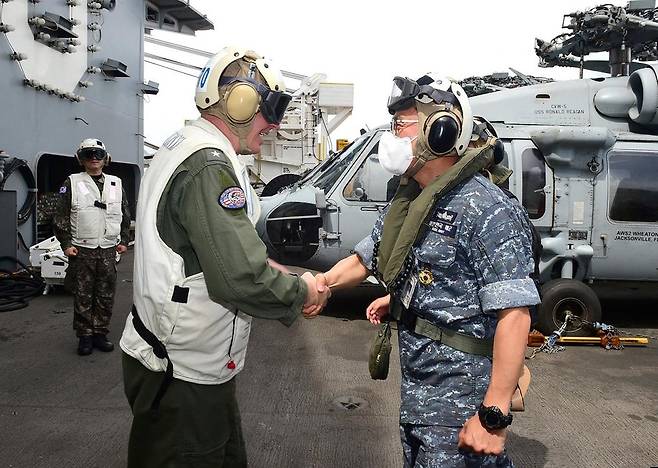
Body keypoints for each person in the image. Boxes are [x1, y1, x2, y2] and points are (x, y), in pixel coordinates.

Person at [119, 47, 328, 468]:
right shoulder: (208, 166)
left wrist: (270, 267)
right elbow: (237, 277)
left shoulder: (191, 145)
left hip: (190, 361)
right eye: (269, 109)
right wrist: (300, 289)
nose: (273, 124)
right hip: (182, 373)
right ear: (239, 102)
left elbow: (209, 247)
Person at [315, 74, 540, 467]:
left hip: (462, 396)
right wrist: (322, 284)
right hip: (420, 393)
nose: (393, 136)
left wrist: (492, 415)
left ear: (440, 131)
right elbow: (370, 257)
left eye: (401, 125)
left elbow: (515, 315)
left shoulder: (487, 208)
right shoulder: (413, 197)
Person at [54, 138, 130, 356]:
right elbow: (60, 217)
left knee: (105, 293)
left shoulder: (116, 183)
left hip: (108, 248)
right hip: (82, 249)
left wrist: (124, 240)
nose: (94, 159)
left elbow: (125, 213)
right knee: (83, 295)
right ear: (81, 159)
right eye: (88, 154)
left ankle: (100, 332)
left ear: (105, 158)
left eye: (98, 154)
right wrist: (66, 244)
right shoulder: (72, 182)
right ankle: (85, 336)